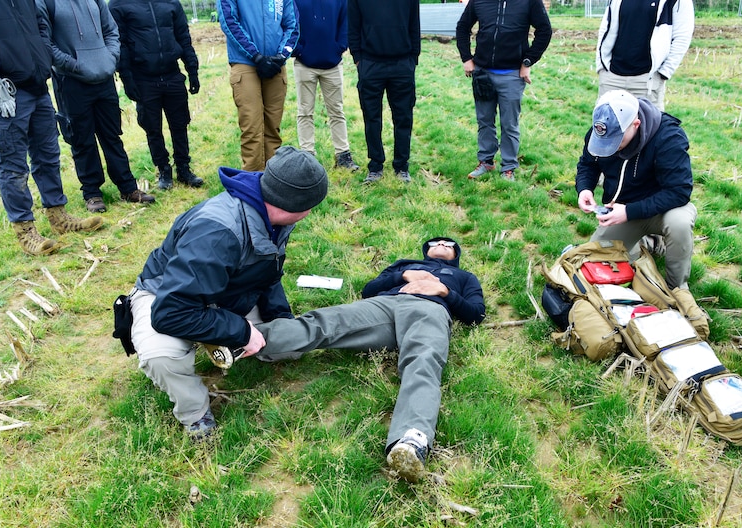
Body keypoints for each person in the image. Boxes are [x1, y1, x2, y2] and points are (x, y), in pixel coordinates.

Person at [128, 146, 328, 440]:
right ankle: (195, 414)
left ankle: (219, 336)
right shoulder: (217, 232)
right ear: (294, 204)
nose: (311, 213)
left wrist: (280, 317)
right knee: (163, 357)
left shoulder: (269, 210)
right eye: (311, 205)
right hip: (166, 298)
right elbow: (170, 313)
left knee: (289, 344)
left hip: (225, 292)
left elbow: (267, 271)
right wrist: (240, 330)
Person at [254, 237, 486, 482]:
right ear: (426, 250)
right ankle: (246, 338)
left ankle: (410, 441)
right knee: (328, 321)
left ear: (456, 254)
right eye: (436, 242)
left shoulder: (464, 277)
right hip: (383, 306)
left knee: (424, 360)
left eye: (448, 244)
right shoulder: (405, 264)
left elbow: (476, 314)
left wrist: (445, 292)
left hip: (430, 310)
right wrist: (403, 275)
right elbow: (369, 290)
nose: (442, 244)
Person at [0, 0, 103, 256]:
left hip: (36, 82)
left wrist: (40, 54)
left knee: (48, 154)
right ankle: (25, 229)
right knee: (13, 163)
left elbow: (40, 23)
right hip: (3, 87)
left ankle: (59, 217)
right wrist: (0, 60)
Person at [36, 0, 156, 213]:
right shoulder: (45, 2)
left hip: (104, 78)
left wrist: (110, 59)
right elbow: (45, 43)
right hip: (71, 81)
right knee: (82, 140)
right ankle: (92, 193)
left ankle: (128, 188)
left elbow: (111, 31)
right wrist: (74, 65)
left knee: (112, 136)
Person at [576, 89, 696, 290]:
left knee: (679, 223)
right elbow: (588, 163)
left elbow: (679, 191)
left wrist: (629, 211)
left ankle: (677, 288)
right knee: (595, 261)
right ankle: (648, 243)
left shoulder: (669, 137)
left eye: (617, 141)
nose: (611, 148)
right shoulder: (601, 129)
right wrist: (584, 188)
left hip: (663, 209)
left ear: (636, 124)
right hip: (624, 212)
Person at [109, 0, 203, 191]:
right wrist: (127, 78)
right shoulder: (118, 5)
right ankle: (164, 169)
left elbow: (183, 36)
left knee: (180, 124)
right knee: (152, 128)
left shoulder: (170, 3)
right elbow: (121, 43)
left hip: (172, 74)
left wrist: (192, 69)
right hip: (144, 78)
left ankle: (184, 168)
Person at [456, 0, 552, 181]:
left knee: (509, 124)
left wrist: (528, 61)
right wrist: (466, 58)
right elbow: (462, 27)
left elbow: (545, 31)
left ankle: (508, 167)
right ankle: (486, 161)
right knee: (484, 120)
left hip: (512, 74)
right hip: (483, 72)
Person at [218, 0, 299, 172]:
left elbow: (292, 24)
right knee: (252, 129)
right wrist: (256, 56)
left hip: (276, 64)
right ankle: (252, 184)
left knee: (273, 129)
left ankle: (272, 182)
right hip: (245, 62)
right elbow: (229, 21)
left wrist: (281, 55)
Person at [349, 0, 420, 183]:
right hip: (370, 64)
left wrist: (413, 59)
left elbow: (414, 25)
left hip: (402, 64)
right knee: (372, 117)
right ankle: (375, 165)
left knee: (403, 117)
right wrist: (358, 58)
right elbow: (353, 26)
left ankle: (402, 166)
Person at [292, 0, 359, 172]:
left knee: (337, 111)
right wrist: (298, 49)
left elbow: (345, 23)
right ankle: (308, 157)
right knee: (305, 112)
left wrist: (339, 47)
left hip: (333, 64)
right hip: (304, 63)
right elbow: (290, 21)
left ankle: (343, 156)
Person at [596, 0, 694, 111]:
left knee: (648, 128)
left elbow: (682, 37)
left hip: (646, 82)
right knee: (607, 125)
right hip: (612, 79)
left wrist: (663, 73)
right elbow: (605, 26)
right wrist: (602, 66)